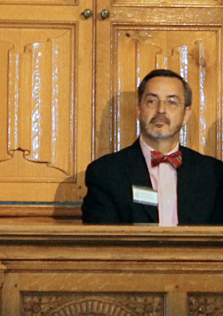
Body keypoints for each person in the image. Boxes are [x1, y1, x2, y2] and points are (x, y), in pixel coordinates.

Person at [82, 69, 223, 225]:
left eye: (172, 102)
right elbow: (101, 244)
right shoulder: (105, 173)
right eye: (151, 101)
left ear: (185, 115)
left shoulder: (215, 175)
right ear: (139, 109)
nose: (161, 109)